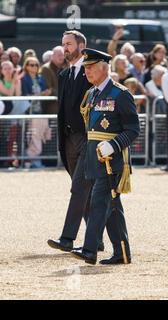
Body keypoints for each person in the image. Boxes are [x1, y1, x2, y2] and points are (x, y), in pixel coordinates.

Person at [71, 48, 140, 265]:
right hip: (94, 157)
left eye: (90, 67)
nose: (87, 72)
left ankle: (90, 249)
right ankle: (122, 253)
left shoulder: (121, 94)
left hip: (112, 160)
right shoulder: (92, 94)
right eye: (85, 68)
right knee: (111, 206)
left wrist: (114, 144)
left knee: (99, 202)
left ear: (103, 67)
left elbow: (133, 129)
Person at [47, 30, 100, 252]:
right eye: (63, 44)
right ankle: (96, 240)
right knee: (85, 190)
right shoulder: (63, 75)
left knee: (79, 188)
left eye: (68, 44)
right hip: (68, 139)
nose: (64, 48)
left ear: (81, 46)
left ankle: (67, 238)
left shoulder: (91, 73)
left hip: (87, 138)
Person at [21, 56, 52, 169]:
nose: (34, 67)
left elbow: (45, 90)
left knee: (41, 136)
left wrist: (47, 92)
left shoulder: (41, 78)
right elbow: (24, 95)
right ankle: (31, 160)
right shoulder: (24, 79)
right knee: (32, 137)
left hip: (40, 111)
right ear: (26, 66)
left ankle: (35, 160)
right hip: (29, 112)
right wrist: (40, 95)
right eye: (31, 65)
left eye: (36, 65)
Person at [40, 46, 65, 114]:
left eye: (63, 55)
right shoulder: (46, 68)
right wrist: (64, 93)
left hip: (63, 103)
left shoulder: (65, 67)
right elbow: (48, 89)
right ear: (52, 56)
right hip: (52, 105)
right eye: (59, 55)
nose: (61, 57)